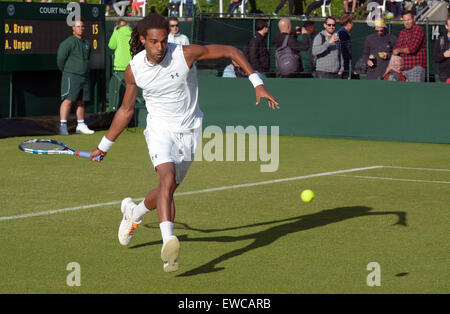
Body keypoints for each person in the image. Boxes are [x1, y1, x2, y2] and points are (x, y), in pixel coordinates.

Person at [89, 14, 279, 273]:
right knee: (166, 178)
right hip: (159, 129)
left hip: (190, 130)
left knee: (166, 189)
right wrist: (104, 146)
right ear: (143, 40)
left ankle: (134, 213)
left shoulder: (185, 54)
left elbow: (231, 51)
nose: (159, 47)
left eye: (164, 41)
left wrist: (257, 83)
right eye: (153, 42)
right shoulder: (134, 69)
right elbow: (125, 110)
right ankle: (169, 244)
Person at [57, 18, 94, 135]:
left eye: (82, 26)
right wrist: (68, 71)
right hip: (71, 75)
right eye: (78, 26)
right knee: (68, 100)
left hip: (84, 76)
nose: (80, 28)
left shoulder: (87, 43)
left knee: (81, 101)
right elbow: (60, 59)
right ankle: (63, 126)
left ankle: (81, 125)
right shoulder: (68, 42)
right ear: (73, 28)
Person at [393, 11, 427, 82]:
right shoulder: (402, 32)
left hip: (416, 69)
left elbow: (412, 49)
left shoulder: (418, 29)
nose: (407, 22)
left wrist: (399, 50)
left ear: (414, 19)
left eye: (408, 20)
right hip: (403, 69)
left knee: (416, 92)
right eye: (405, 20)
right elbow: (397, 48)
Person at [108, 19, 132, 111]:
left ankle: (114, 114)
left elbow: (111, 46)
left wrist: (115, 31)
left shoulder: (117, 33)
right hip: (131, 68)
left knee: (117, 94)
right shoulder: (134, 34)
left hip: (119, 68)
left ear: (118, 26)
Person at [433, 16, 450, 83]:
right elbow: (435, 58)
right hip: (444, 76)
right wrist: (444, 55)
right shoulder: (440, 40)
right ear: (446, 26)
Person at [337, 14, 354, 79]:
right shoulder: (342, 33)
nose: (353, 25)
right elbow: (342, 51)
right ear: (349, 23)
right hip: (343, 66)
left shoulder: (344, 33)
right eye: (352, 22)